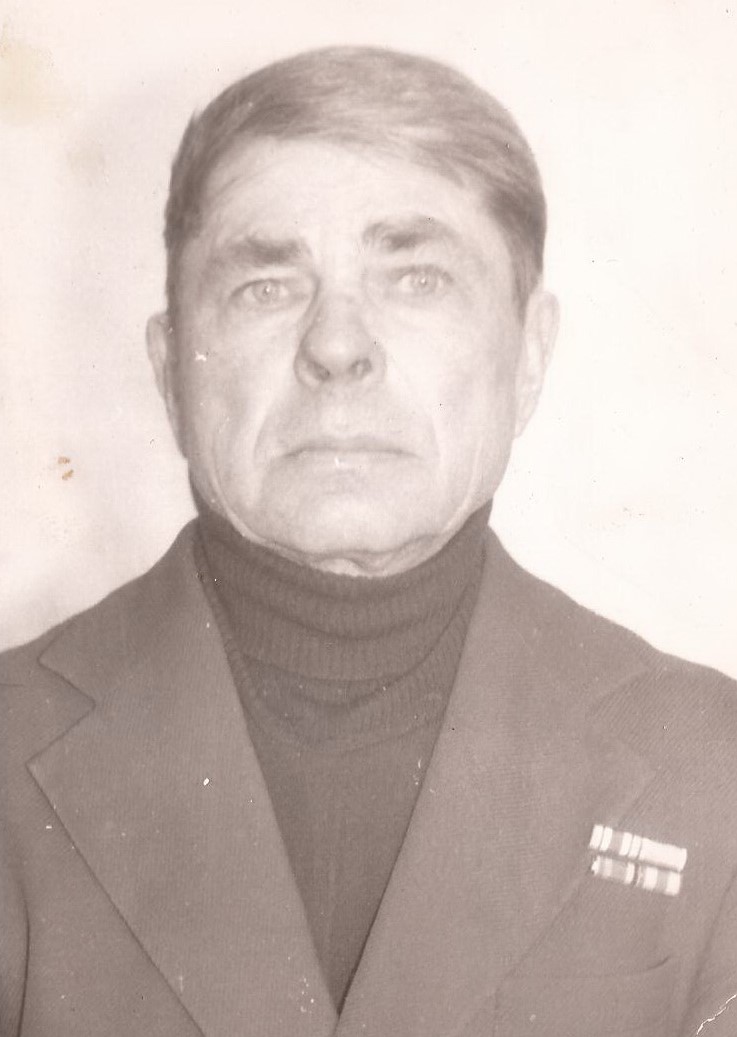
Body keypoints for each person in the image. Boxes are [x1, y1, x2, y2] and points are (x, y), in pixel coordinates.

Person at [1, 45, 735, 1037]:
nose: (337, 346)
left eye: (415, 277)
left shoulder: (712, 767)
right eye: (266, 285)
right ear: (172, 371)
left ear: (527, 357)